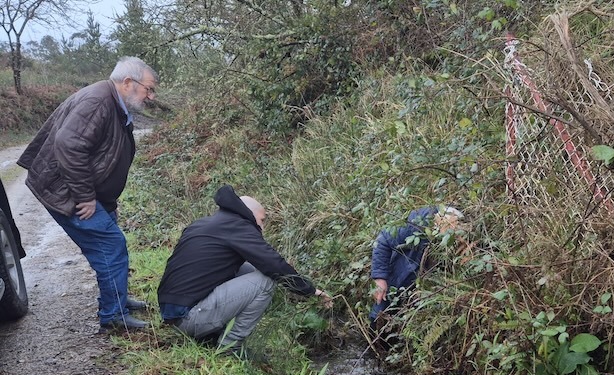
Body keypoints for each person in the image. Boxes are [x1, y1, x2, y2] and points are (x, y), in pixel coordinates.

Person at [17, 56, 158, 332]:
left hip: (82, 189)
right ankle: (113, 317)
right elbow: (69, 145)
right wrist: (85, 197)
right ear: (127, 82)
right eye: (148, 89)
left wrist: (106, 201)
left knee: (110, 242)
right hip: (65, 190)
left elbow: (103, 154)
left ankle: (117, 299)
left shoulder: (113, 102)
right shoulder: (98, 101)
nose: (151, 96)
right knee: (111, 245)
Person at [157, 185, 328, 356]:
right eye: (262, 220)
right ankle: (230, 346)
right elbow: (273, 264)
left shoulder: (204, 224)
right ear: (250, 214)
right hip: (188, 318)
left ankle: (211, 334)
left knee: (250, 269)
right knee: (265, 281)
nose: (263, 228)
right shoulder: (238, 226)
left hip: (172, 313)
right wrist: (310, 291)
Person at [369, 204, 464, 325]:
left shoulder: (461, 236)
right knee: (378, 316)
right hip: (398, 277)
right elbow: (383, 239)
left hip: (423, 291)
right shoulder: (419, 222)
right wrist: (379, 278)